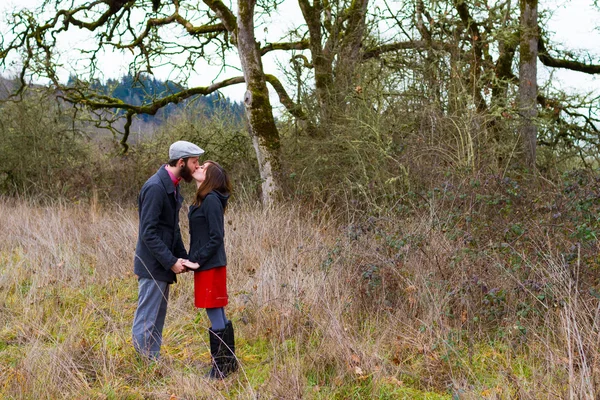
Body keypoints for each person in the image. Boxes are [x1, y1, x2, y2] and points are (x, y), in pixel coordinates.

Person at [132, 140, 204, 360]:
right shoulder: (155, 187)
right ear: (181, 162)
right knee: (146, 318)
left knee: (157, 317)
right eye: (194, 162)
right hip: (153, 265)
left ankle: (152, 361)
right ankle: (143, 367)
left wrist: (184, 258)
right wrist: (171, 261)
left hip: (161, 263)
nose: (197, 166)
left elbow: (171, 230)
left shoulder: (172, 185)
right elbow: (149, 233)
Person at [183, 160, 237, 379]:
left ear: (211, 178)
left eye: (203, 168)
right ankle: (229, 363)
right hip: (208, 263)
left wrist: (196, 260)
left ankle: (220, 369)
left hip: (210, 265)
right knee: (217, 311)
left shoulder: (212, 200)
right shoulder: (204, 199)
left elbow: (216, 237)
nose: (198, 168)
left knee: (214, 311)